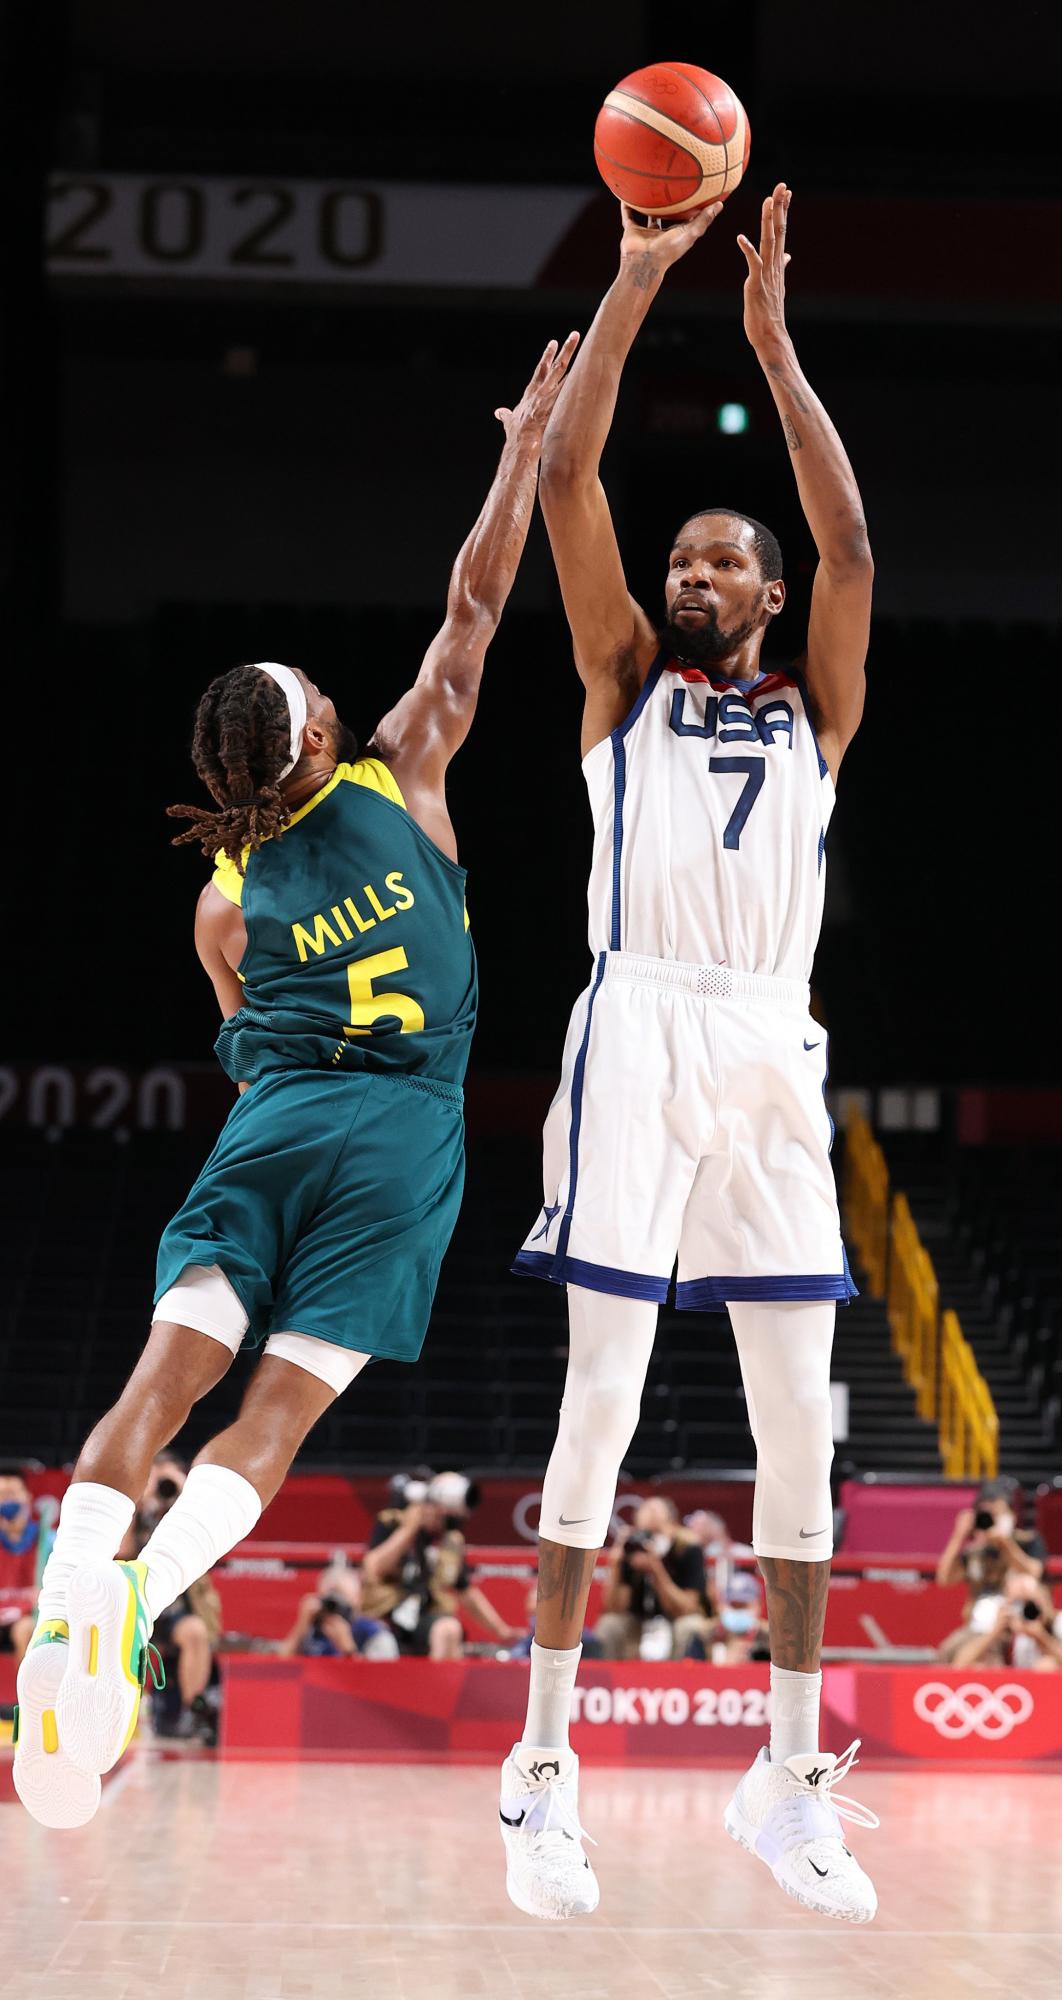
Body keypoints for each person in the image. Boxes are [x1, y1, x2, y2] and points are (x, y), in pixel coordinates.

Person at [12, 334, 579, 1832]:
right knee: (269, 1422)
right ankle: (140, 1602)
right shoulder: (405, 767)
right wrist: (518, 452)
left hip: (273, 1126)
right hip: (402, 1140)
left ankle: (63, 1597)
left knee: (157, 1383)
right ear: (320, 735)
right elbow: (474, 603)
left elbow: (242, 1028)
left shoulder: (224, 896)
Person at [499, 185, 878, 1926]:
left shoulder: (816, 709)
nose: (690, 575)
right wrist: (637, 276)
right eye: (681, 563)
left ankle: (786, 1778)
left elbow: (853, 549)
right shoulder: (620, 683)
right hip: (639, 1022)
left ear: (767, 592)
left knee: (800, 1428)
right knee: (602, 1404)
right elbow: (569, 480)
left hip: (769, 1044)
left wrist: (775, 351)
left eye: (721, 562)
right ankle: (540, 1769)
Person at [121, 1453, 222, 1743]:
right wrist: (137, 1504)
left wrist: (184, 1495)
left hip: (173, 1611)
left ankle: (196, 1711)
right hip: (135, 1605)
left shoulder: (187, 1518)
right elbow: (122, 1552)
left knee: (195, 1631)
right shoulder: (137, 1512)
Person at [362, 1472, 520, 1657]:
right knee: (382, 1640)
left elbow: (465, 1590)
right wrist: (410, 1529)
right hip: (384, 1612)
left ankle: (437, 1678)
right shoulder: (392, 1521)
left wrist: (502, 1631)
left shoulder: (450, 1539)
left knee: (448, 1629)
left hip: (423, 1614)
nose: (440, 1514)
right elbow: (374, 1568)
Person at [935, 1476, 1046, 1657]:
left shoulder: (1027, 1540)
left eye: (996, 1514)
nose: (990, 1522)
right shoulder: (976, 1552)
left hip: (1014, 1625)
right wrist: (958, 1536)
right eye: (986, 1516)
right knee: (948, 1651)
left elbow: (1034, 1572)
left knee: (971, 1656)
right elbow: (944, 1579)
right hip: (977, 1629)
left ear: (1011, 1516)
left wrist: (1006, 1544)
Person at [595, 1496, 712, 1660]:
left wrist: (656, 1570)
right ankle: (610, 1676)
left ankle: (685, 1675)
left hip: (675, 1619)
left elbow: (687, 1607)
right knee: (610, 1625)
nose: (651, 1541)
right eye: (647, 1534)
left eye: (657, 1533)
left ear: (672, 1525)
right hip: (638, 1621)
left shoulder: (687, 1549)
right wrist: (615, 1565)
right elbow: (615, 1607)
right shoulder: (633, 1549)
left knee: (690, 1626)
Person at [949, 1572, 1062, 1674]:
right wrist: (994, 1632)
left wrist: (1043, 1639)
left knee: (1048, 1666)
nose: (1025, 1610)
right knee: (979, 1668)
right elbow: (959, 1666)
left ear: (1045, 1598)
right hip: (1017, 1696)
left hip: (1060, 1695)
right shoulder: (1005, 1626)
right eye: (1017, 1603)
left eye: (1030, 1602)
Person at [279, 1563, 398, 1660]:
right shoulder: (311, 1629)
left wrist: (349, 1651)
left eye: (342, 1598)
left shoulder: (374, 1633)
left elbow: (383, 1678)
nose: (335, 1607)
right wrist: (301, 1626)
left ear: (358, 1599)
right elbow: (281, 1668)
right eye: (330, 1600)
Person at [0, 1470, 40, 1664]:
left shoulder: (47, 1539)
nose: (8, 1500)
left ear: (28, 1499)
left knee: (26, 1630)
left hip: (28, 1616)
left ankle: (26, 1684)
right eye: (2, 1495)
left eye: (13, 1494)